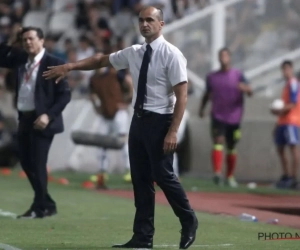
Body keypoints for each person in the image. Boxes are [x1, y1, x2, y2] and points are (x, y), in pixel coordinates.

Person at [43, 6, 198, 249]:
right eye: (141, 20)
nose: (144, 24)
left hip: (161, 121)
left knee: (163, 175)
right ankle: (143, 237)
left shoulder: (172, 54)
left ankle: (188, 220)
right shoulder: (135, 52)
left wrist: (173, 130)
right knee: (140, 180)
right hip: (137, 120)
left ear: (161, 24)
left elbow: (182, 96)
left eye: (150, 20)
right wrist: (70, 67)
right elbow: (101, 60)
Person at [0, 26, 71, 218]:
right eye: (25, 40)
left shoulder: (54, 63)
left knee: (38, 163)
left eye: (31, 39)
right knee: (26, 163)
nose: (28, 43)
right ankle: (46, 202)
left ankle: (40, 207)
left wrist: (48, 115)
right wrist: (12, 40)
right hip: (24, 117)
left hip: (43, 119)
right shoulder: (21, 59)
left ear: (42, 40)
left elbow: (64, 95)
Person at [199, 48, 252, 188]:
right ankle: (217, 173)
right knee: (218, 140)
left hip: (234, 117)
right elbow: (207, 94)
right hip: (218, 115)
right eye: (221, 55)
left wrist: (245, 89)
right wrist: (202, 109)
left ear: (230, 57)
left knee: (231, 146)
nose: (223, 58)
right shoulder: (212, 77)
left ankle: (230, 176)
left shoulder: (238, 75)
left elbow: (250, 91)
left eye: (225, 55)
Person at [89, 65, 132, 188]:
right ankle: (102, 172)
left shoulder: (115, 74)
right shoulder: (93, 79)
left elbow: (129, 83)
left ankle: (130, 170)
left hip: (118, 111)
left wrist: (127, 100)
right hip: (105, 113)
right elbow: (91, 94)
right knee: (101, 142)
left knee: (123, 140)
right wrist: (96, 107)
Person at [271, 60, 300, 189]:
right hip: (283, 121)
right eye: (283, 69)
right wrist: (277, 122)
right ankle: (287, 175)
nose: (285, 72)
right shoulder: (287, 85)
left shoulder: (293, 83)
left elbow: (293, 103)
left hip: (291, 121)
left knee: (293, 148)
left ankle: (294, 178)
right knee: (280, 148)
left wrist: (278, 111)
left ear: (291, 69)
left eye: (287, 69)